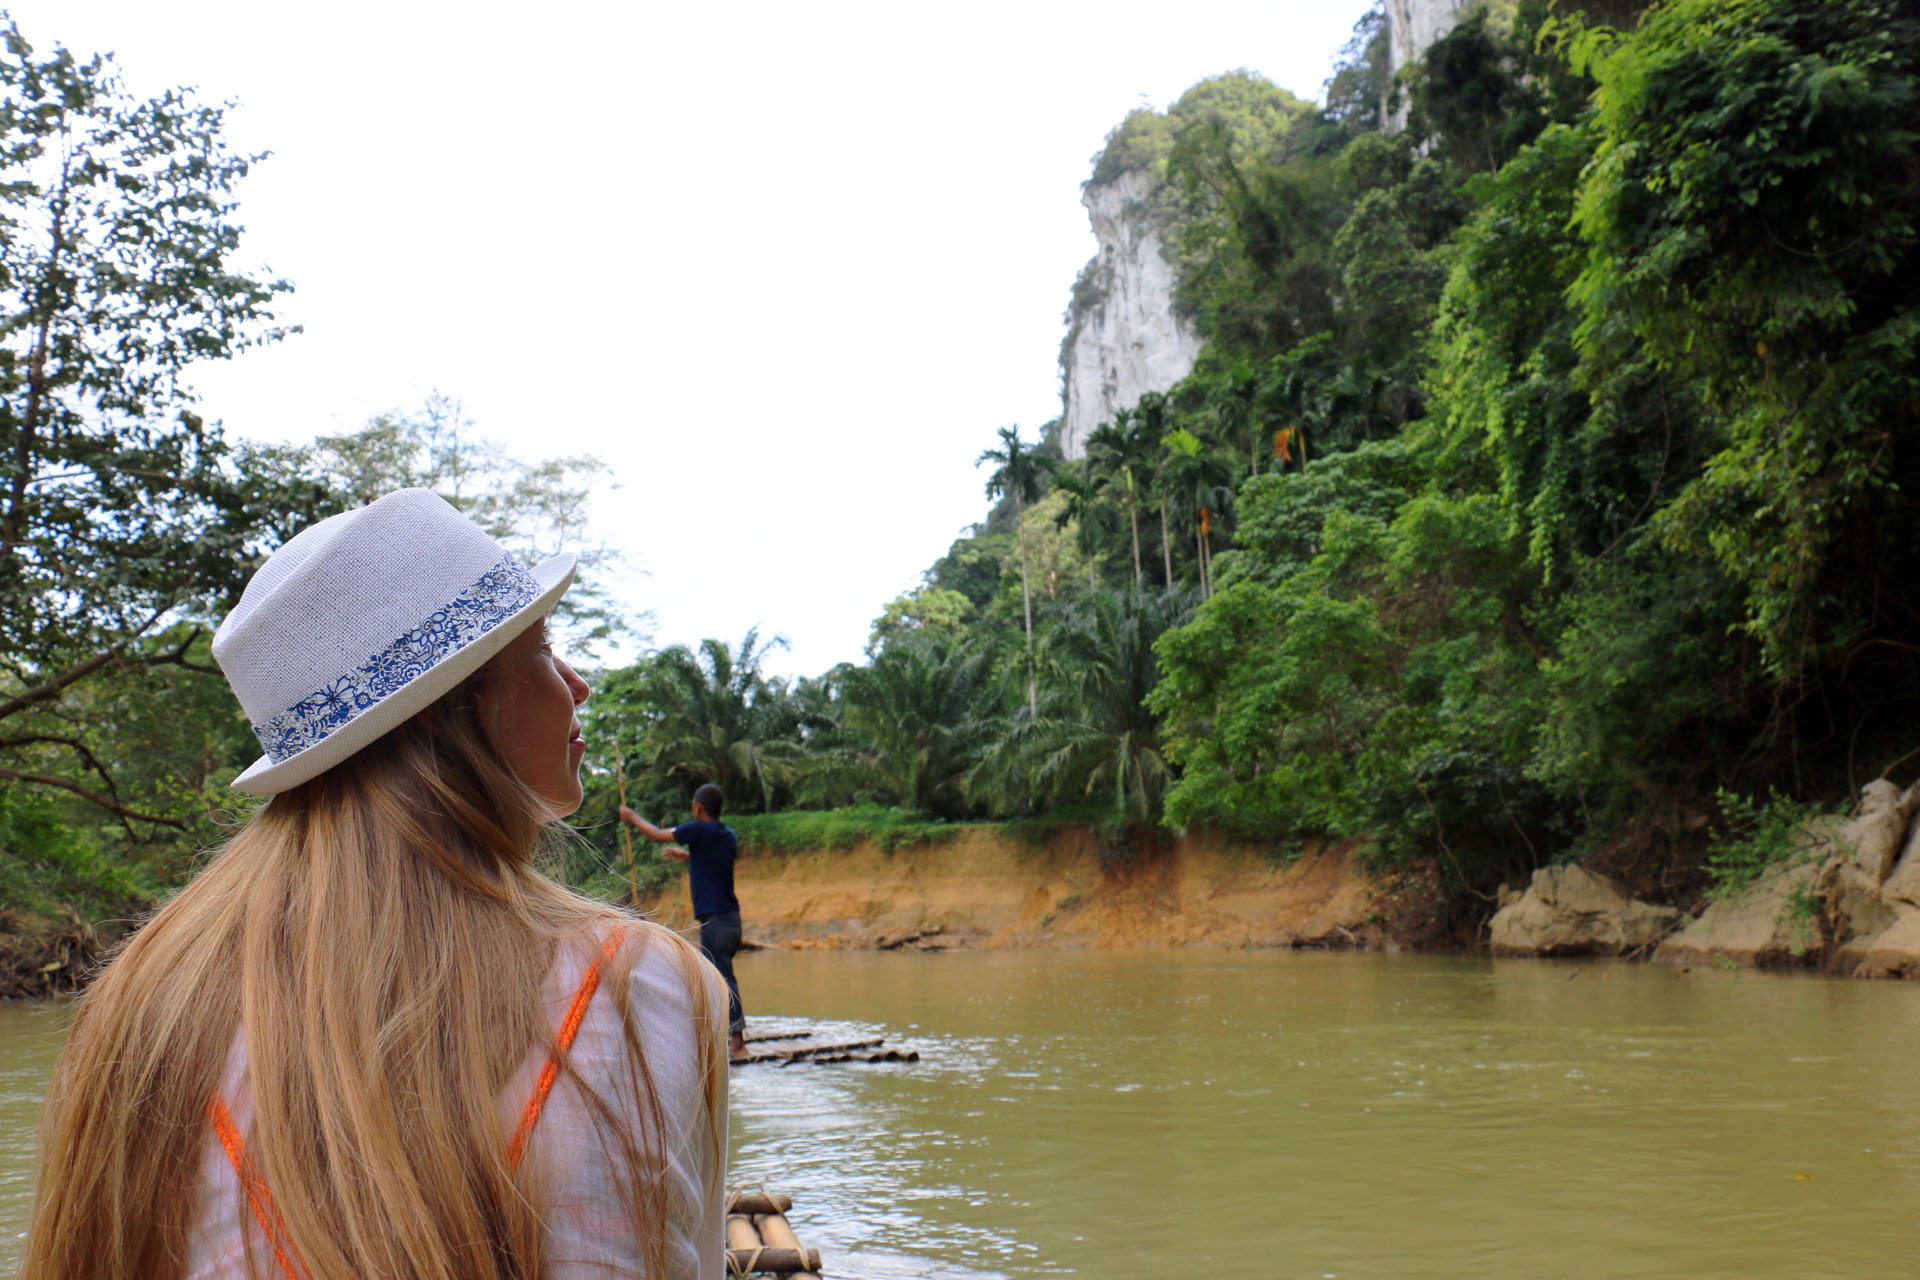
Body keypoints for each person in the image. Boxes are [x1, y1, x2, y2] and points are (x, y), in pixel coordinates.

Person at [19, 489, 730, 1280]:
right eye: (541, 647)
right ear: (441, 708)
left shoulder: (140, 1001)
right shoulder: (634, 982)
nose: (576, 684)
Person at [619, 786, 748, 1063]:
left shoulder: (698, 829)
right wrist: (688, 857)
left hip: (715, 919)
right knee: (721, 976)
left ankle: (737, 1043)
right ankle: (722, 1036)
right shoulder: (727, 835)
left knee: (723, 980)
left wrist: (632, 817)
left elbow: (656, 834)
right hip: (731, 920)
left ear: (698, 808)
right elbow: (717, 863)